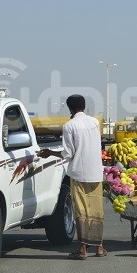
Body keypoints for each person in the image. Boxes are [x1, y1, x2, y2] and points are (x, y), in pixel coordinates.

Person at [37, 94, 107, 260]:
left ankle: (82, 250)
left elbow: (68, 154)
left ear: (69, 108)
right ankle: (99, 247)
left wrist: (49, 153)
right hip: (96, 172)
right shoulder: (94, 122)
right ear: (83, 106)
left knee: (82, 210)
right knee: (96, 209)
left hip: (79, 174)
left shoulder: (70, 126)